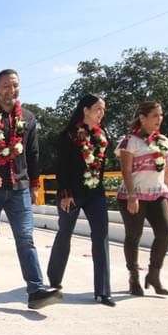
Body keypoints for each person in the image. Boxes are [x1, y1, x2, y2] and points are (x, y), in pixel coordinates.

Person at [0, 69, 62, 310]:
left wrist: (34, 184)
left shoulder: (29, 118)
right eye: (6, 86)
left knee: (26, 238)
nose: (11, 90)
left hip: (20, 186)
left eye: (15, 85)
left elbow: (33, 153)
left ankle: (36, 290)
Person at [47, 94, 115, 306]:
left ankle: (103, 291)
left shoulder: (102, 134)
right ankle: (54, 277)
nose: (101, 113)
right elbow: (61, 168)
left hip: (95, 192)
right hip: (72, 194)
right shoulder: (69, 135)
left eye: (103, 110)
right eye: (98, 109)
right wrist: (65, 194)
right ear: (85, 110)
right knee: (65, 232)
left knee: (101, 236)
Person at [115, 101, 168, 296]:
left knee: (165, 232)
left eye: (161, 115)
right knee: (134, 236)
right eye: (155, 115)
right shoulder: (129, 141)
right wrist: (132, 196)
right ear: (142, 117)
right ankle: (133, 277)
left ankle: (154, 274)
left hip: (157, 194)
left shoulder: (164, 142)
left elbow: (166, 170)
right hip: (133, 195)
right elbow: (125, 169)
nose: (159, 119)